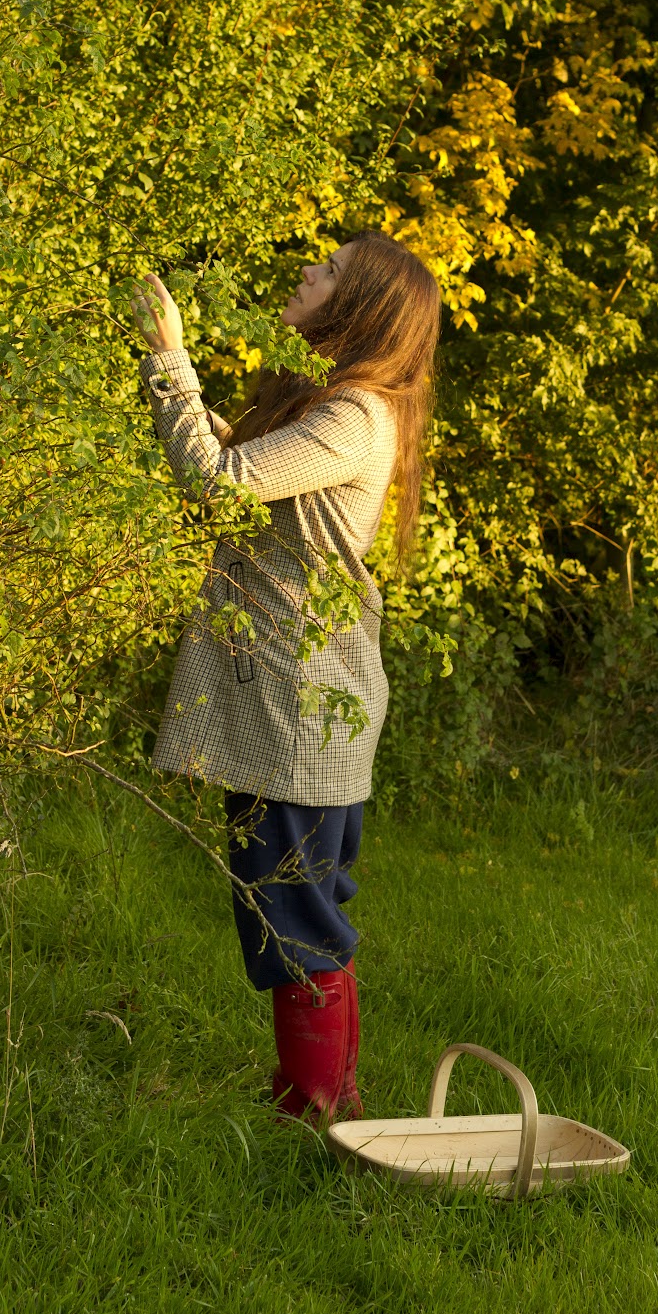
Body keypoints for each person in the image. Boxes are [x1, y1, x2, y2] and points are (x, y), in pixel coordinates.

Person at [133, 230, 440, 1122]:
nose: (310, 271)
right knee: (308, 908)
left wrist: (170, 363)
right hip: (305, 703)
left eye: (331, 270)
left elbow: (216, 482)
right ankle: (326, 1103)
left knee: (292, 914)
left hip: (299, 709)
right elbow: (245, 468)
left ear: (360, 307)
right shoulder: (342, 410)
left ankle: (313, 1112)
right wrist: (178, 385)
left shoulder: (354, 418)